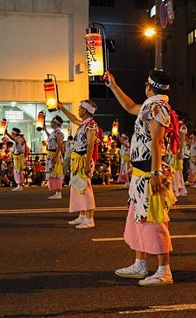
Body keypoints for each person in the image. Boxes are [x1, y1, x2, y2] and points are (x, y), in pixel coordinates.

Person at [106, 69, 178, 286]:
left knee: (154, 219)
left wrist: (155, 174)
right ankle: (140, 264)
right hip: (142, 172)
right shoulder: (151, 105)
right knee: (138, 217)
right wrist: (113, 85)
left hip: (150, 171)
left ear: (149, 86)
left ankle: (164, 270)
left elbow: (156, 142)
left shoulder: (157, 107)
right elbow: (129, 107)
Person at [58, 100, 101, 229]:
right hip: (78, 159)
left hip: (83, 159)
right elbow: (73, 119)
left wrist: (87, 163)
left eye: (80, 108)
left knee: (85, 188)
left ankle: (90, 218)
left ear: (86, 111)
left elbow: (90, 145)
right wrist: (62, 108)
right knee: (78, 187)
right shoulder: (84, 124)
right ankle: (82, 215)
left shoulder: (91, 125)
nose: (78, 110)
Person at [43, 115, 65, 199]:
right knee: (52, 173)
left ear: (56, 123)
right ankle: (57, 192)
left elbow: (59, 145)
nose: (51, 123)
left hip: (54, 154)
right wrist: (45, 130)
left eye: (52, 121)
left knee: (56, 173)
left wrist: (55, 156)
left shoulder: (59, 133)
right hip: (51, 155)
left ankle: (58, 192)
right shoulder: (54, 133)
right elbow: (51, 138)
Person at [170, 114, 187, 197]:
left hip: (176, 151)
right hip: (173, 151)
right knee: (174, 170)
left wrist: (180, 151)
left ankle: (177, 189)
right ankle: (176, 188)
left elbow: (182, 140)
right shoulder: (174, 125)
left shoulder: (181, 126)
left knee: (176, 171)